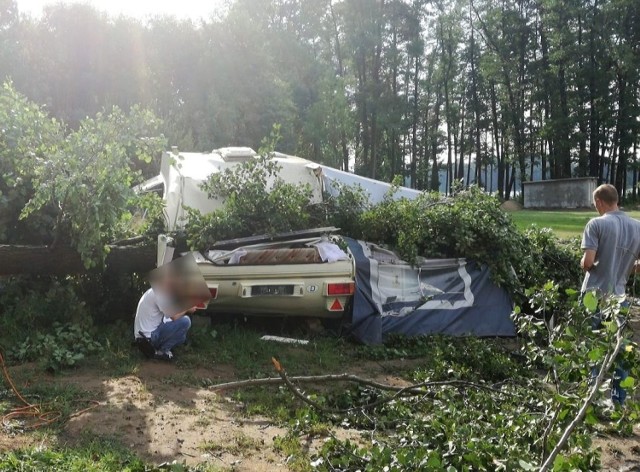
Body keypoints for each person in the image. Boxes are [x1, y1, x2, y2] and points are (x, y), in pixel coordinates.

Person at [580, 183, 640, 405]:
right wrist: (626, 266)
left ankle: (592, 398)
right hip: (619, 297)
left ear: (599, 202)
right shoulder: (637, 226)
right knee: (618, 349)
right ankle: (618, 401)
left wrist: (583, 263)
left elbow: (588, 262)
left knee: (592, 346)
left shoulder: (596, 224)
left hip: (594, 295)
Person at [133, 286, 195, 361]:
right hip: (148, 338)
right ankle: (162, 352)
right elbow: (174, 317)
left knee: (181, 337)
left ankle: (159, 350)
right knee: (186, 321)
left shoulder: (155, 291)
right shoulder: (160, 294)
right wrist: (188, 308)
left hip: (143, 337)